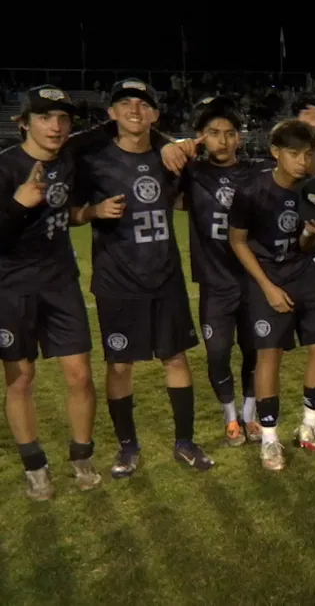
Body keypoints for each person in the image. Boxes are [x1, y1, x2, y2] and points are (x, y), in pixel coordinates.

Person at [70, 79, 213, 478]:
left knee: (176, 357)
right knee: (120, 365)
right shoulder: (94, 160)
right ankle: (127, 447)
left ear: (154, 114)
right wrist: (93, 213)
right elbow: (70, 212)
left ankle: (184, 442)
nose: (135, 109)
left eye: (143, 104)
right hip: (117, 280)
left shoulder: (171, 160)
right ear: (111, 113)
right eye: (124, 103)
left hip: (165, 275)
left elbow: (192, 199)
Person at [0, 86, 103, 499]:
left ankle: (82, 457)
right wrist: (21, 204)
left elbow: (117, 125)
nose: (55, 126)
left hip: (61, 281)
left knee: (80, 375)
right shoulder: (6, 167)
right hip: (10, 288)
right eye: (44, 117)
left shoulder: (69, 157)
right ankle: (35, 466)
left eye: (62, 118)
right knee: (21, 379)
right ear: (23, 122)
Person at [228, 120, 315, 470]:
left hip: (304, 273)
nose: (301, 162)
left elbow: (307, 245)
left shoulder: (314, 189)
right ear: (275, 152)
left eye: (307, 154)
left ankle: (309, 425)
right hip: (267, 277)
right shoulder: (251, 191)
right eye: (293, 154)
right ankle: (270, 440)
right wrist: (268, 287)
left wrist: (311, 231)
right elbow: (237, 241)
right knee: (269, 355)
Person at [180, 96, 270, 447]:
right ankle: (229, 414)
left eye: (230, 133)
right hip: (214, 283)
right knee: (218, 351)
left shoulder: (257, 170)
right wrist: (179, 150)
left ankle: (248, 415)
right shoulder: (191, 172)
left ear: (240, 138)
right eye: (214, 132)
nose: (223, 139)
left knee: (254, 350)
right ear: (201, 136)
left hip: (252, 280)